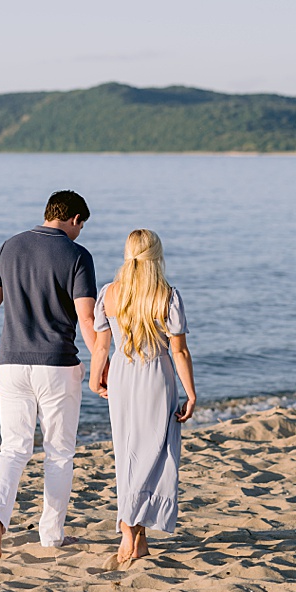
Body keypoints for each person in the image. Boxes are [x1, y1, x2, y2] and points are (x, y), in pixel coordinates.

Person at [0, 190, 98, 564]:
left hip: (11, 364)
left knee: (12, 450)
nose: (80, 234)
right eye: (81, 227)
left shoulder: (8, 248)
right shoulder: (77, 256)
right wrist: (104, 366)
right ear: (75, 219)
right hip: (58, 365)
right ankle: (51, 535)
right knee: (59, 453)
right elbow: (87, 319)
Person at [89, 229, 197, 565]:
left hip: (122, 375)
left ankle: (139, 536)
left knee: (128, 452)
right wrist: (191, 393)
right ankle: (128, 529)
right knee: (155, 451)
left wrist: (95, 379)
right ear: (156, 255)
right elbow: (178, 350)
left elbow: (102, 345)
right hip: (156, 376)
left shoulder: (110, 293)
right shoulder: (166, 295)